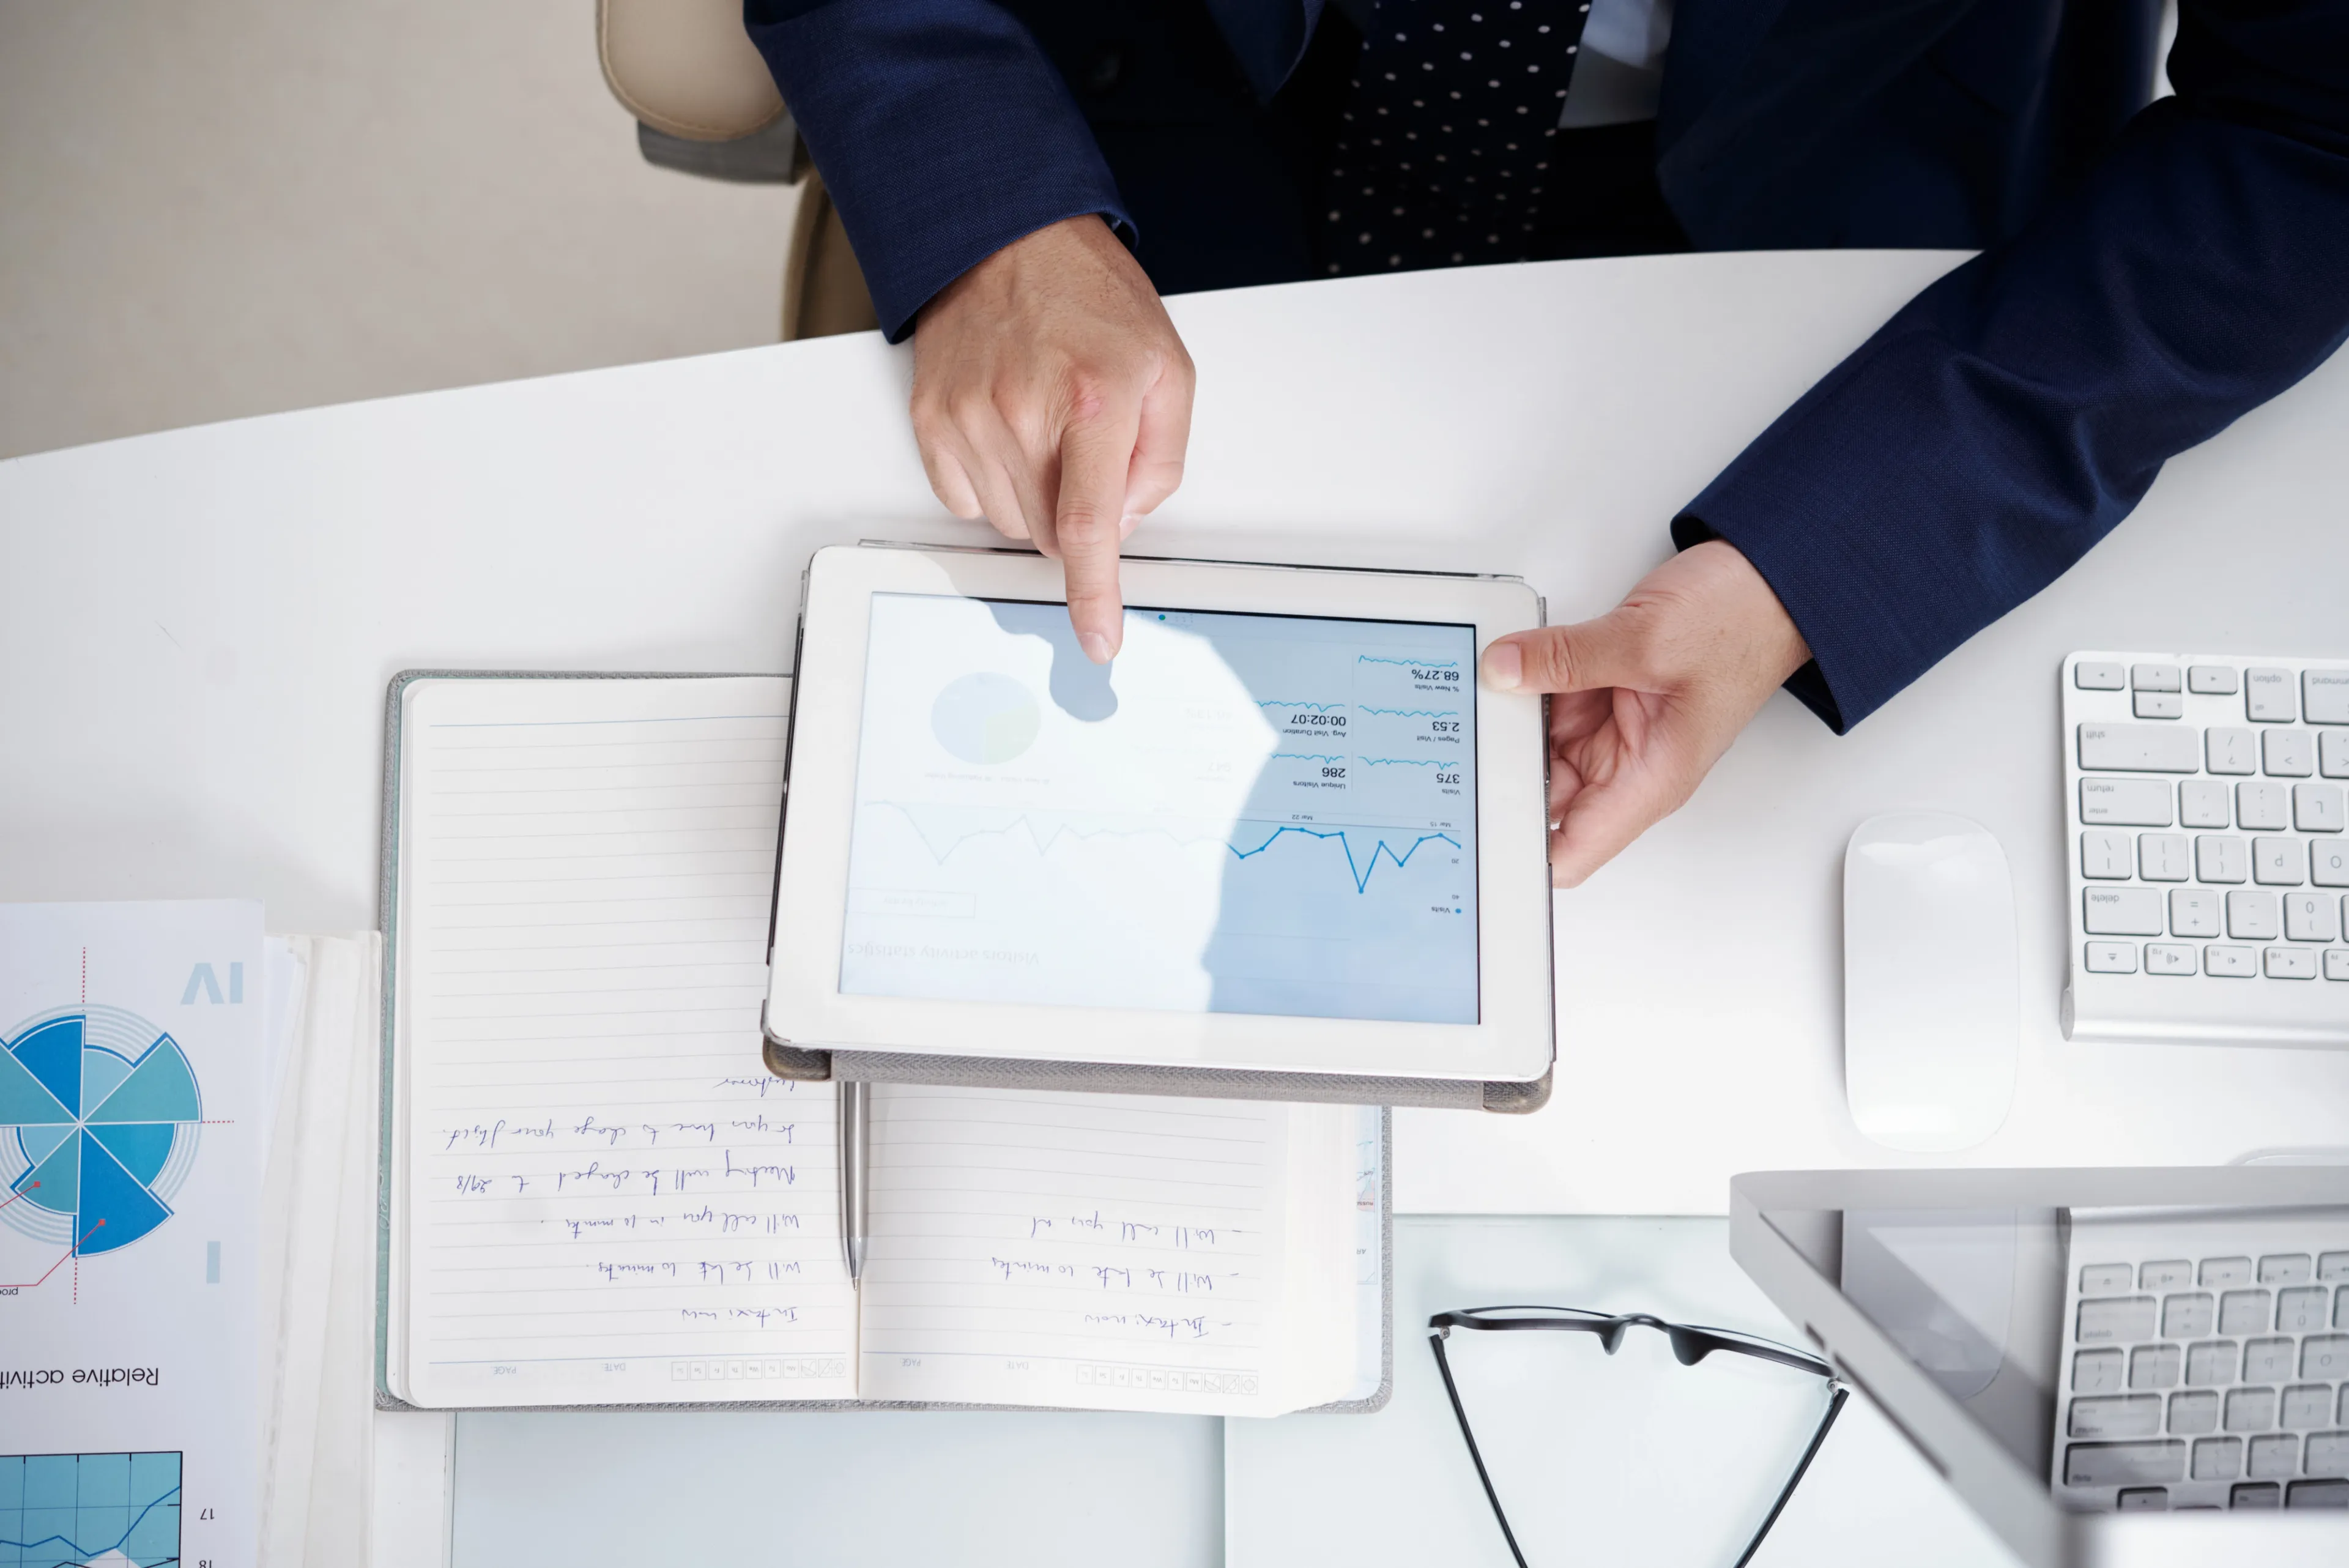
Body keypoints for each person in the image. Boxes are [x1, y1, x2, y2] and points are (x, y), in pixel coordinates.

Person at [743, 0, 2349, 886]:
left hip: (1832, 257)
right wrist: (989, 198)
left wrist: (1838, 547)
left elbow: (2314, 133)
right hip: (1154, 104)